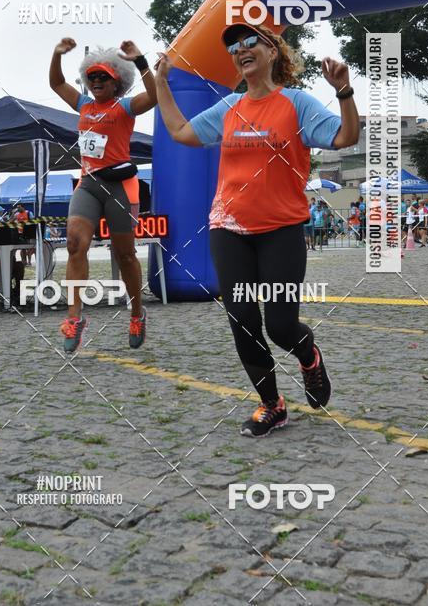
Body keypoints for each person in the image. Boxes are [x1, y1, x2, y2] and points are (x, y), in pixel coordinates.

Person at [155, 23, 360, 437]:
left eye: (251, 42)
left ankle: (309, 357)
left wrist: (344, 92)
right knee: (243, 319)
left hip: (281, 229)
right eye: (234, 46)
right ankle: (272, 404)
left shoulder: (296, 103)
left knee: (281, 325)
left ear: (273, 52)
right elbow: (179, 131)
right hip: (228, 228)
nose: (241, 49)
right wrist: (161, 83)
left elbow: (346, 136)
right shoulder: (229, 108)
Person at [50, 37, 157, 352]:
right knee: (74, 243)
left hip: (120, 186)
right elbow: (56, 83)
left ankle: (137, 312)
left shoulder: (124, 107)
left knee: (124, 254)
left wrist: (140, 61)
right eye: (91, 77)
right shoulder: (83, 104)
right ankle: (75, 319)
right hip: (89, 183)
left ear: (117, 82)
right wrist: (56, 55)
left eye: (103, 77)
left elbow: (154, 94)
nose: (96, 81)